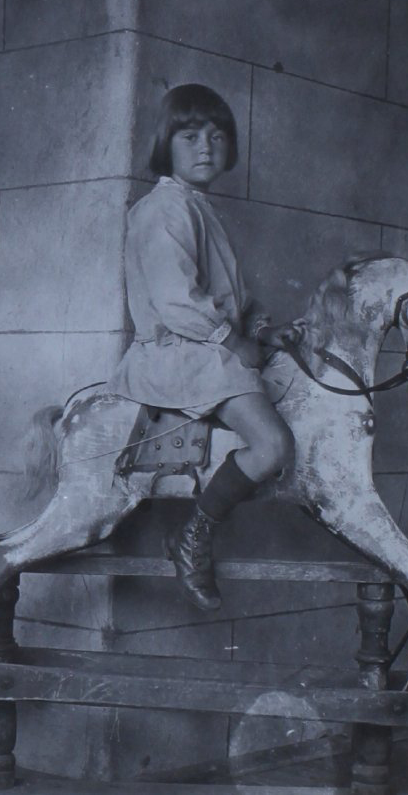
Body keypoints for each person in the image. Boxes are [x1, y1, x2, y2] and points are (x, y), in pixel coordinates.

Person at [109, 84, 300, 611]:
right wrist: (234, 342)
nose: (206, 148)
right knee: (273, 446)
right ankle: (192, 537)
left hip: (205, 349)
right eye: (190, 136)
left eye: (217, 137)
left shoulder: (198, 207)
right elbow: (178, 303)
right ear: (165, 143)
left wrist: (261, 330)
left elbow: (229, 295)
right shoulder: (161, 210)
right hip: (178, 355)